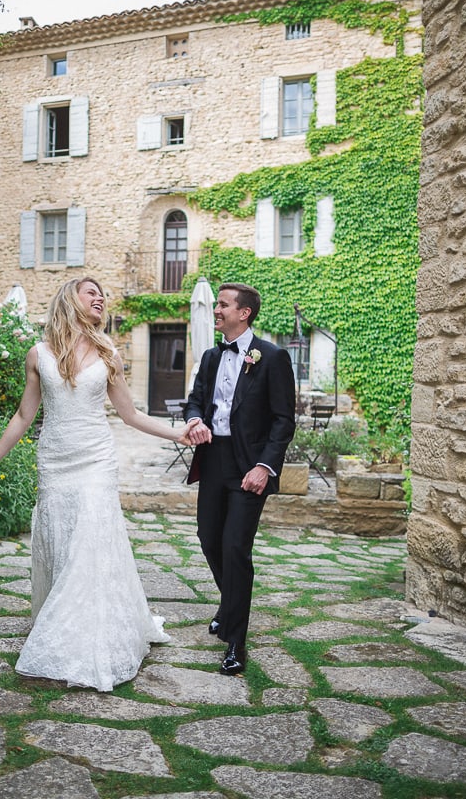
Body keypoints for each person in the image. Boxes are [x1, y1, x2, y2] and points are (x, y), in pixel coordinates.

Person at [0, 276, 187, 691]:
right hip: (55, 460)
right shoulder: (38, 355)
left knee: (91, 539)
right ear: (71, 299)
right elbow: (23, 416)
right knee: (63, 542)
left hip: (95, 460)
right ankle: (63, 620)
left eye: (102, 294)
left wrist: (178, 435)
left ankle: (91, 639)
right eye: (92, 293)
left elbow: (131, 415)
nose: (100, 298)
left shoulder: (108, 354)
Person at [183, 282, 296, 676]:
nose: (217, 309)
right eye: (215, 304)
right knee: (208, 538)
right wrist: (194, 419)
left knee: (235, 548)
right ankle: (229, 606)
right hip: (214, 459)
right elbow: (196, 399)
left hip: (250, 465)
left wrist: (265, 466)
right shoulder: (211, 357)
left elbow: (284, 421)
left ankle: (236, 640)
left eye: (223, 304)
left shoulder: (273, 357)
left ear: (243, 312)